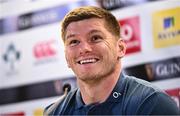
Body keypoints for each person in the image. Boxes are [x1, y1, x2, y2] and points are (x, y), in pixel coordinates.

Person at [44, 6, 179, 115]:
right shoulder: (54, 112)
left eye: (95, 38)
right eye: (74, 41)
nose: (84, 49)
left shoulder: (152, 104)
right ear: (67, 57)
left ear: (120, 48)